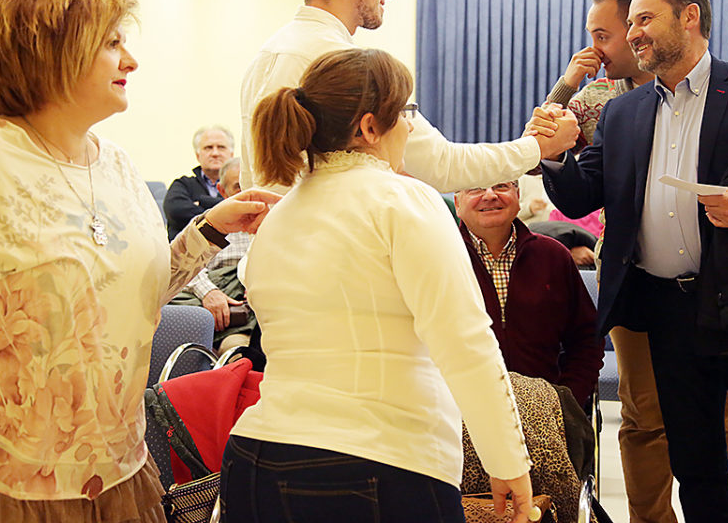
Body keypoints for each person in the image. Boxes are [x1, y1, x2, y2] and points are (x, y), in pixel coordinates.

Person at [0, 0, 275, 523]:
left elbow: (139, 294)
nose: (131, 61)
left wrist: (209, 230)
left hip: (122, 475)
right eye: (112, 43)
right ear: (49, 51)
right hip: (5, 489)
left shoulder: (116, 163)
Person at [538, 0, 728, 522]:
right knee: (696, 466)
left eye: (645, 19)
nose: (633, 33)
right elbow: (579, 195)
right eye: (630, 24)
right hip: (666, 312)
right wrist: (554, 157)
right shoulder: (623, 112)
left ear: (689, 17)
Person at [222, 48, 533, 523]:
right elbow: (464, 341)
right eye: (406, 113)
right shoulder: (404, 201)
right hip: (375, 463)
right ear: (369, 128)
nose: (410, 127)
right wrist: (508, 460)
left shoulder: (281, 213)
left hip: (257, 460)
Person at [239, 0, 578, 194]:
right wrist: (538, 148)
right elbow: (442, 165)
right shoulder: (344, 66)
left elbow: (251, 181)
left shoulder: (267, 54)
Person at [455, 180, 602, 406]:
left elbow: (586, 338)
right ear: (457, 203)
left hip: (544, 409)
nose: (490, 195)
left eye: (501, 186)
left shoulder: (553, 256)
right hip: (459, 411)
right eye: (476, 188)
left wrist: (566, 401)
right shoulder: (437, 260)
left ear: (517, 195)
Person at [174, 156, 255, 351]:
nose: (248, 193)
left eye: (251, 185)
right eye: (238, 187)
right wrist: (209, 292)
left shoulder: (277, 223)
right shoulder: (209, 223)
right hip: (219, 298)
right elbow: (181, 265)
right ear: (222, 191)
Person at [164, 125, 235, 239]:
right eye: (208, 148)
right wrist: (226, 211)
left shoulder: (241, 185)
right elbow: (176, 212)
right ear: (198, 155)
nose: (215, 153)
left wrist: (202, 201)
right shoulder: (182, 185)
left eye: (221, 147)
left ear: (231, 154)